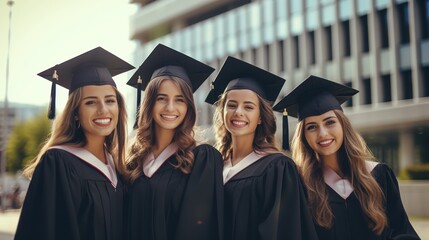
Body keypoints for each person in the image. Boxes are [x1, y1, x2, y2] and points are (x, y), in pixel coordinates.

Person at [273, 75, 420, 240]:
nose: (323, 134)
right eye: (312, 127)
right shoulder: (301, 186)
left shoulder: (379, 175)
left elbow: (402, 230)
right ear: (304, 137)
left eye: (330, 122)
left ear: (343, 125)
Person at [14, 47, 134, 240]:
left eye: (110, 101)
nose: (103, 110)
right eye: (90, 102)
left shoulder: (119, 168)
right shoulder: (57, 162)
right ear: (75, 112)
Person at [205, 56, 319, 240]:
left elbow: (283, 232)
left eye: (248, 107)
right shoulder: (214, 167)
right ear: (223, 112)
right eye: (231, 105)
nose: (238, 112)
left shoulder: (277, 168)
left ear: (260, 117)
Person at [125, 43, 224, 240]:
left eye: (179, 99)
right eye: (162, 98)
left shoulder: (201, 160)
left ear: (188, 106)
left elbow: (200, 231)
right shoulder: (134, 162)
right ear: (149, 104)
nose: (171, 107)